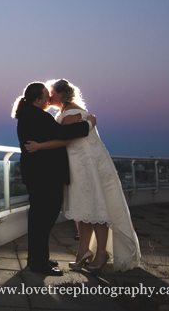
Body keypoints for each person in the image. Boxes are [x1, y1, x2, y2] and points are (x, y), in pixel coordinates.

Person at [25, 79, 141, 273]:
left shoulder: (71, 113)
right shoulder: (67, 112)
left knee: (96, 208)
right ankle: (83, 252)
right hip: (80, 165)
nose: (49, 96)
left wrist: (38, 146)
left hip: (85, 165)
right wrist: (89, 122)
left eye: (51, 93)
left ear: (61, 94)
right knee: (85, 209)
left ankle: (100, 253)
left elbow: (64, 138)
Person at [12, 82, 96, 276]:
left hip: (36, 175)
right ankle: (39, 264)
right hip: (46, 176)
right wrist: (89, 124)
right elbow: (64, 134)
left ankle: (37, 259)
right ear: (38, 100)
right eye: (46, 96)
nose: (49, 99)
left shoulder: (27, 115)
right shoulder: (40, 116)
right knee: (45, 220)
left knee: (37, 219)